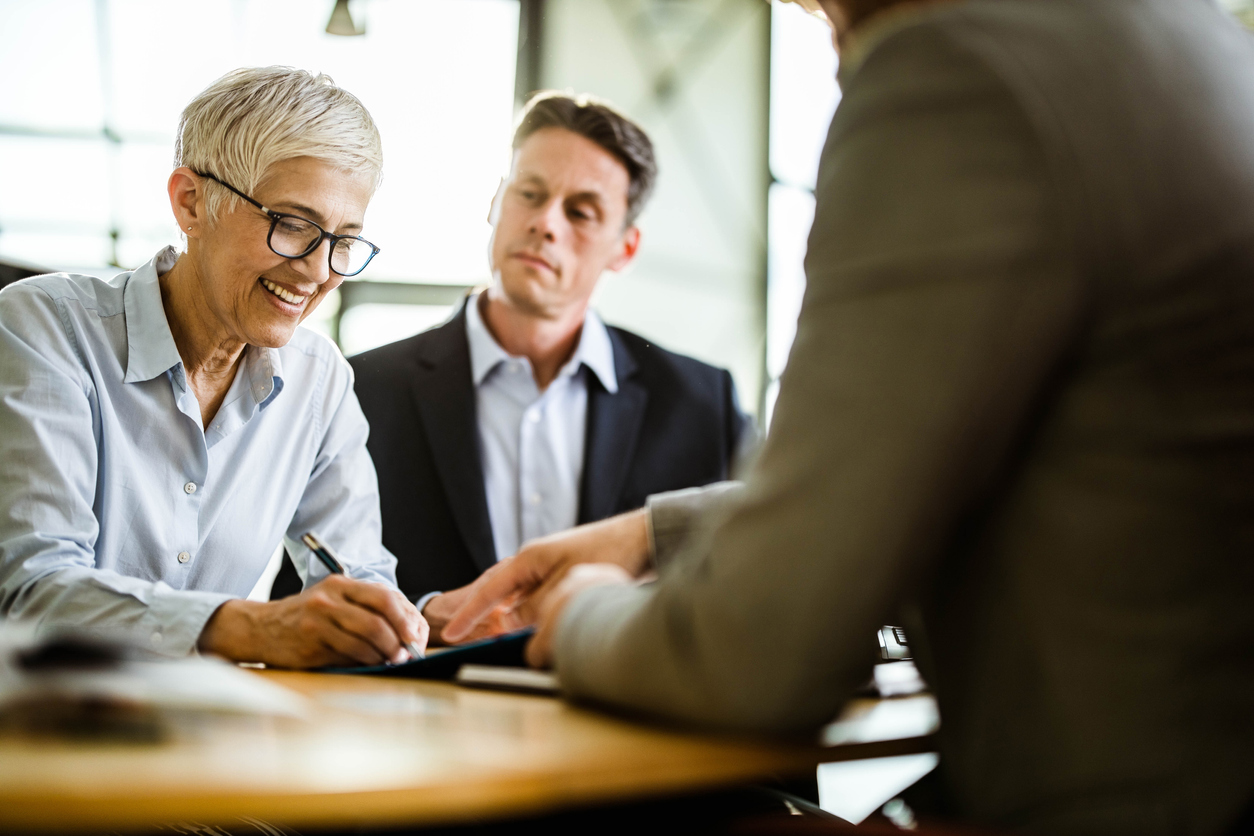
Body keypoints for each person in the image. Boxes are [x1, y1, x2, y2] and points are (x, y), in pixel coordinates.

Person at [443, 0, 1254, 833]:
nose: (830, 43)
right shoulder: (1186, 38)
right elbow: (981, 468)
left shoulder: (958, 69)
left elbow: (757, 656)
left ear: (624, 244)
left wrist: (584, 613)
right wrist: (654, 536)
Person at [273, 92, 752, 639]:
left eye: (581, 212)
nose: (547, 223)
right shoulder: (361, 391)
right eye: (530, 194)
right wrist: (423, 618)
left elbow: (753, 580)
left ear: (625, 248)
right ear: (496, 202)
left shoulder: (700, 404)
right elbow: (301, 603)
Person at [0, 67, 428, 668]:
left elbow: (357, 570)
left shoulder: (319, 381)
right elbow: (29, 589)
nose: (316, 271)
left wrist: (392, 624)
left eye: (343, 240)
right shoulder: (44, 329)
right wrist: (249, 627)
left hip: (207, 734)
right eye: (292, 224)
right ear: (191, 201)